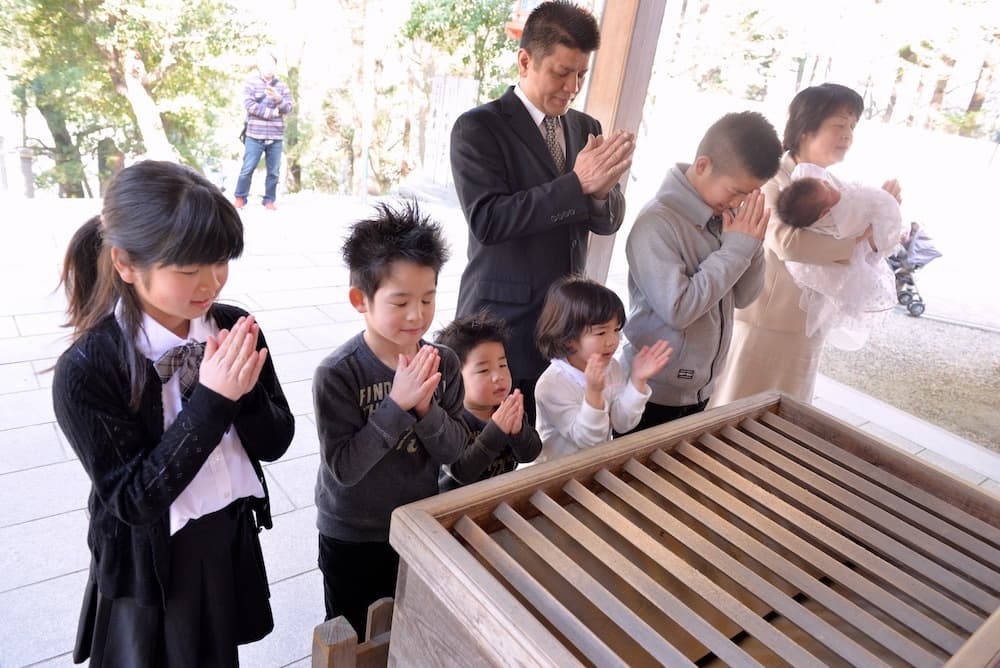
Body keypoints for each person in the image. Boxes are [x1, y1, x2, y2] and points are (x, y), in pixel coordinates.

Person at [52, 160, 295, 667]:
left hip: (226, 535)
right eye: (187, 270)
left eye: (220, 262)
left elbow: (275, 441)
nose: (210, 284)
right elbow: (134, 499)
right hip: (153, 561)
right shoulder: (88, 368)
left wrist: (242, 391)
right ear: (125, 264)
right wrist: (214, 400)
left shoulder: (233, 327)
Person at [450, 0, 635, 425]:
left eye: (581, 75)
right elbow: (488, 220)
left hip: (567, 322)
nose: (572, 87)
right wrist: (577, 185)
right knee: (495, 441)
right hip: (503, 319)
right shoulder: (478, 128)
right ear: (525, 60)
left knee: (556, 437)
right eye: (561, 72)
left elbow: (605, 221)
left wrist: (602, 194)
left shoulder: (585, 126)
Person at [312, 201, 469, 638]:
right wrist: (396, 406)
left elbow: (456, 452)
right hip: (352, 533)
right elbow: (344, 469)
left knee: (405, 628)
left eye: (428, 298)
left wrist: (424, 408)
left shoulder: (445, 364)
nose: (417, 315)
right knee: (352, 635)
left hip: (416, 523)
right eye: (400, 302)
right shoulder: (339, 373)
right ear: (359, 299)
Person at [711, 84, 903, 406]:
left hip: (806, 330)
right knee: (735, 414)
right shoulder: (772, 179)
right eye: (838, 125)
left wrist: (882, 214)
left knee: (782, 425)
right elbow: (788, 242)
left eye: (852, 127)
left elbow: (862, 248)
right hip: (764, 327)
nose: (848, 135)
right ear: (804, 130)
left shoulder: (835, 186)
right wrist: (861, 237)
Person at [622, 111, 782, 432]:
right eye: (735, 191)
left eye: (749, 195)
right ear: (702, 165)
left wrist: (751, 245)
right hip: (652, 390)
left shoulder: (724, 214)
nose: (739, 202)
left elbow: (744, 297)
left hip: (700, 387)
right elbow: (678, 309)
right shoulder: (656, 223)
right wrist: (736, 249)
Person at [533, 276, 671, 463]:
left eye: (616, 330)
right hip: (556, 474)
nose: (612, 340)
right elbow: (587, 439)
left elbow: (621, 424)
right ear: (568, 338)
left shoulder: (611, 367)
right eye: (601, 332)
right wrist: (594, 392)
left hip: (594, 467)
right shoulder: (552, 385)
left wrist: (637, 381)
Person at [775, 165, 901, 349]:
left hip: (840, 261)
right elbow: (871, 223)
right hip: (838, 270)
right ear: (824, 213)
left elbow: (807, 172)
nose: (826, 182)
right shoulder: (843, 219)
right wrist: (883, 206)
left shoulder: (805, 198)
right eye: (826, 187)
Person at [434, 312, 542, 491]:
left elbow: (529, 455)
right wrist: (497, 430)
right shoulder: (449, 420)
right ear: (454, 377)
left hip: (498, 498)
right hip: (454, 506)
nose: (498, 376)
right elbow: (463, 473)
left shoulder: (505, 408)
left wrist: (519, 432)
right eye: (484, 370)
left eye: (502, 365)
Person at [234, 49, 293, 211]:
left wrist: (278, 98)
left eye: (272, 64)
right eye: (266, 64)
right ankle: (240, 197)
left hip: (276, 135)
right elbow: (249, 105)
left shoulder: (282, 86)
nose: (269, 67)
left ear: (275, 66)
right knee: (247, 168)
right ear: (260, 66)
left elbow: (288, 108)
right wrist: (272, 113)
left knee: (274, 171)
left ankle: (269, 200)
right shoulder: (251, 83)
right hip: (254, 134)